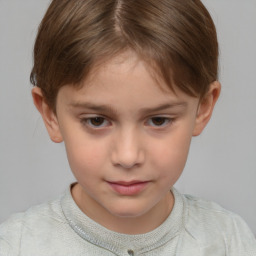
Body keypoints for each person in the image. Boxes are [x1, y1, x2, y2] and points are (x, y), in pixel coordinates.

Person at [0, 0, 255, 255]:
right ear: (50, 114)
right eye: (97, 120)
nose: (128, 156)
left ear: (203, 107)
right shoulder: (16, 246)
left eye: (158, 120)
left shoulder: (228, 241)